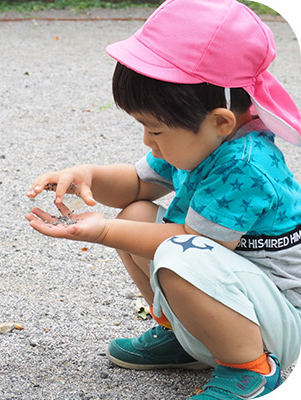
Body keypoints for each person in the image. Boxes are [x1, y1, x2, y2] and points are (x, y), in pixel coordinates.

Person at [26, 0, 301, 398]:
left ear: (221, 121)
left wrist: (103, 231)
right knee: (137, 215)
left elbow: (196, 241)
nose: (146, 140)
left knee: (176, 254)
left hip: (276, 320)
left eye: (154, 130)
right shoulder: (201, 139)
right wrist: (88, 174)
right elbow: (138, 186)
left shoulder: (246, 166)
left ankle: (251, 367)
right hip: (234, 295)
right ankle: (183, 334)